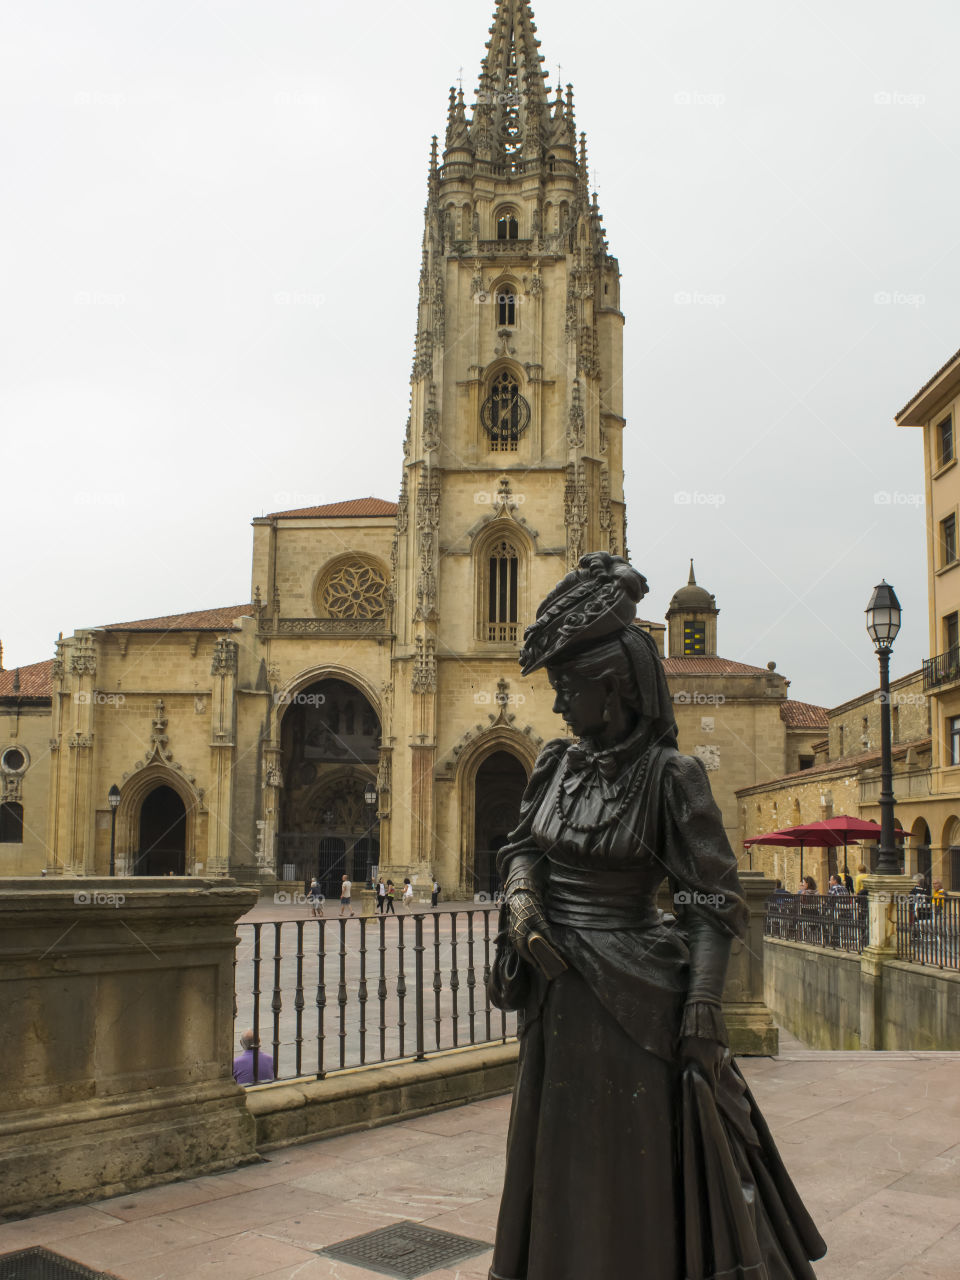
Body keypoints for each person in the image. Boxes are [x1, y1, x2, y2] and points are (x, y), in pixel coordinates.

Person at [487, 553, 825, 1280]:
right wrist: (520, 897)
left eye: (568, 689)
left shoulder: (673, 778)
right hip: (558, 998)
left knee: (629, 1159)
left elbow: (713, 899)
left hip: (637, 1000)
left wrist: (704, 1004)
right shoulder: (554, 766)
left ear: (614, 689)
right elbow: (520, 849)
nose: (557, 707)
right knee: (561, 1152)